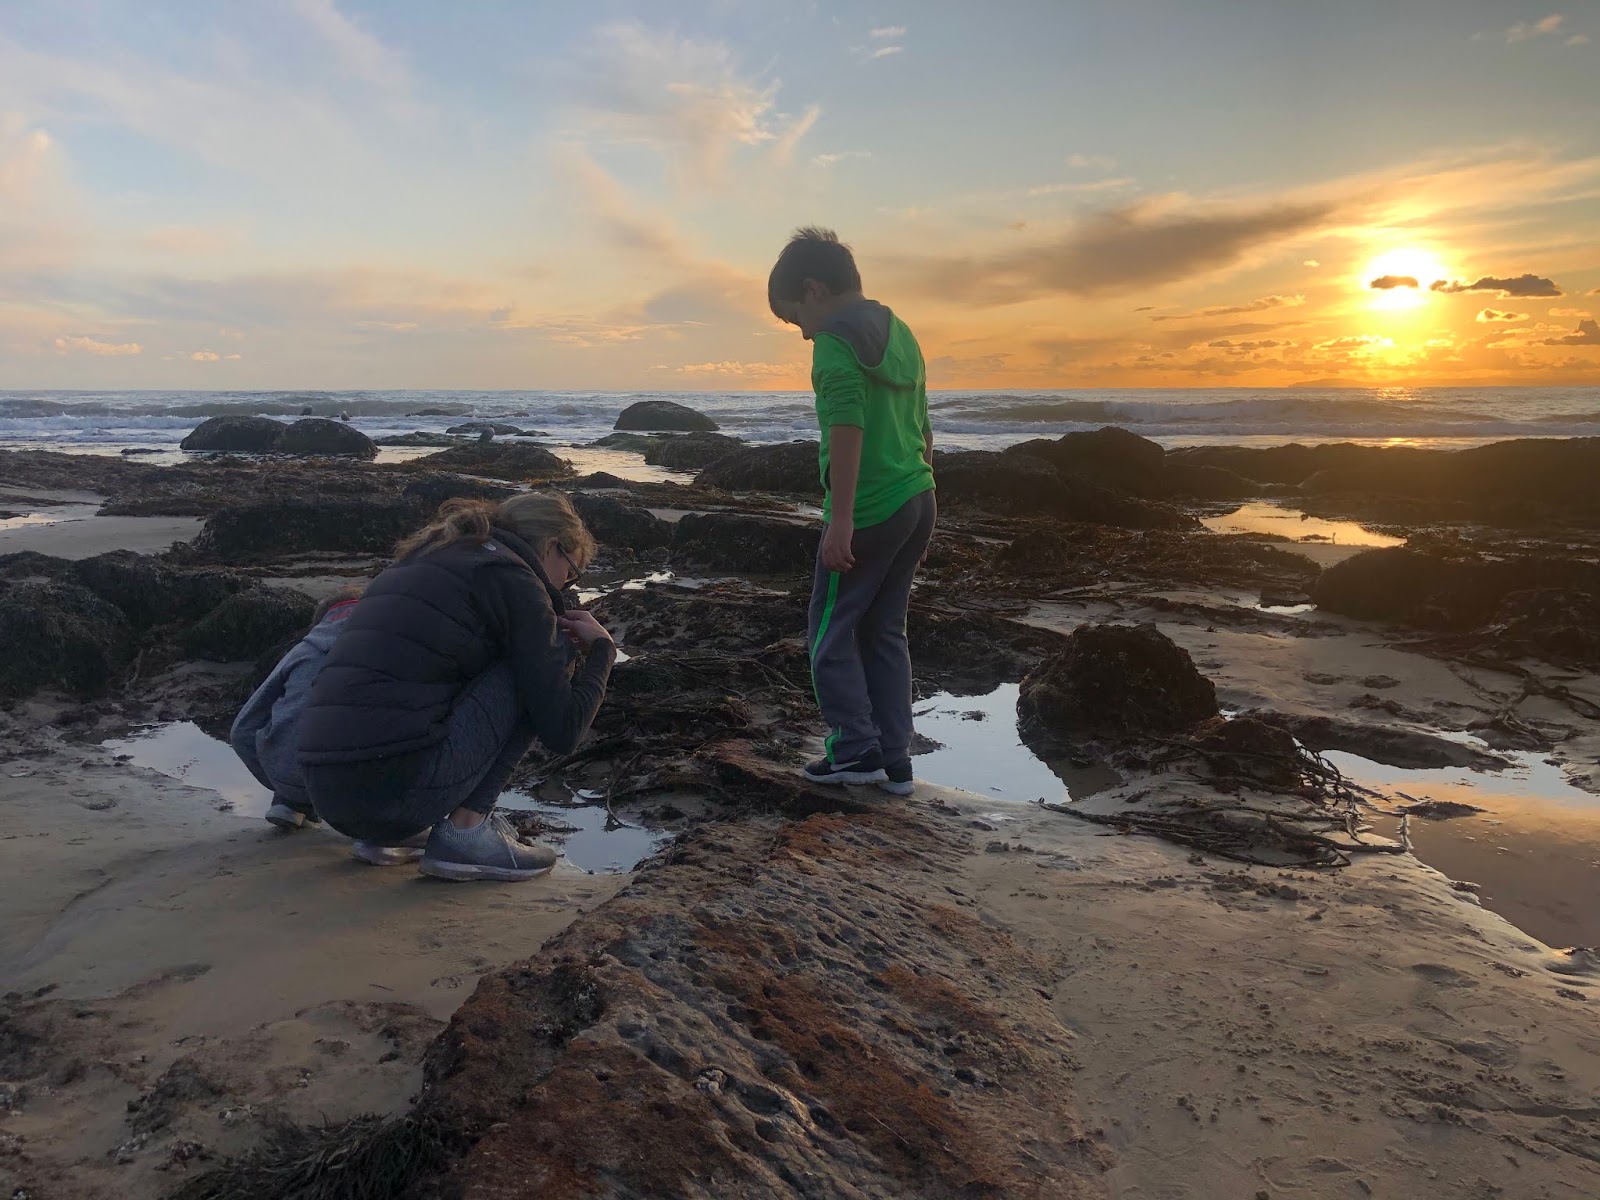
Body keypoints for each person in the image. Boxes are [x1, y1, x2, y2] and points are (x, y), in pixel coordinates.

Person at [297, 493, 614, 881]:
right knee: (550, 654)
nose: (564, 587)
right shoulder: (514, 577)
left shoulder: (423, 559)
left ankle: (386, 838)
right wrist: (603, 650)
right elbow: (563, 730)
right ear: (551, 546)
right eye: (571, 571)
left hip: (327, 796)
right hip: (392, 795)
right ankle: (467, 831)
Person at [767, 227, 936, 797]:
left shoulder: (835, 340)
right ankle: (895, 759)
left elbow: (846, 425)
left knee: (830, 630)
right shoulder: (901, 331)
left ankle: (855, 748)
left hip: (869, 507)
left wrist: (840, 521)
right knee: (885, 630)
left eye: (796, 318)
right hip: (917, 497)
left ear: (813, 289)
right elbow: (922, 422)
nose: (802, 333)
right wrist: (925, 491)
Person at [229, 586, 359, 835]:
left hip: (292, 772)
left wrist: (280, 780)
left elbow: (242, 729)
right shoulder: (385, 649)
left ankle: (291, 801)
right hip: (358, 779)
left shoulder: (303, 651)